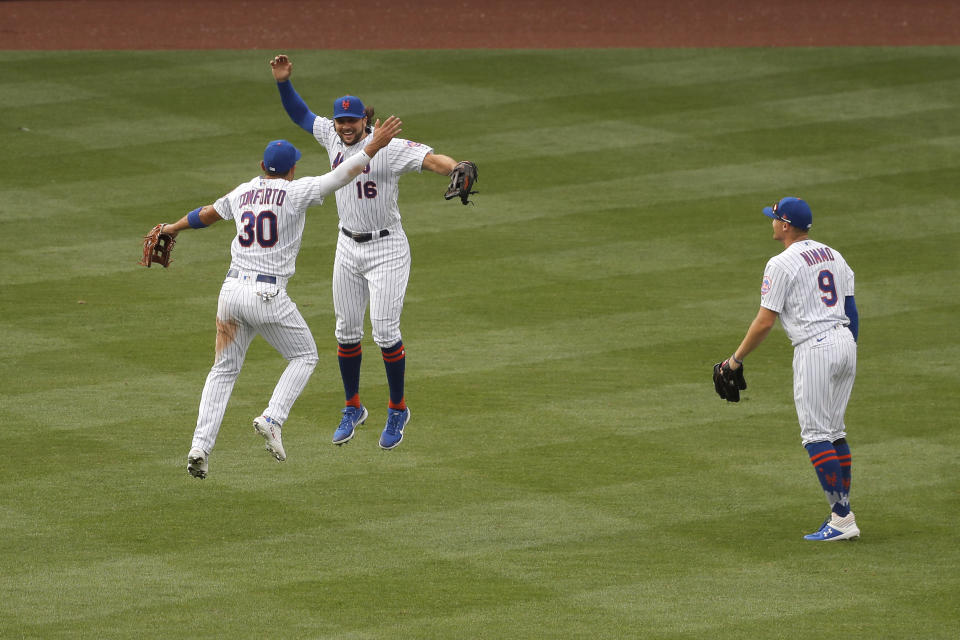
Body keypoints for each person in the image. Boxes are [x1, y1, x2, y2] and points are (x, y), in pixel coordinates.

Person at [153, 118, 402, 479]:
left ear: (261, 168)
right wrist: (373, 146)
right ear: (292, 169)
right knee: (305, 355)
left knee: (222, 370)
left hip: (231, 293)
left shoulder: (242, 192)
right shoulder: (296, 191)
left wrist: (171, 228)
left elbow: (206, 215)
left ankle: (200, 447)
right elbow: (344, 174)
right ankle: (272, 418)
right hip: (267, 294)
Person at [269, 53, 470, 450]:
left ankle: (397, 408)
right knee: (345, 333)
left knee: (385, 331)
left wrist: (456, 167)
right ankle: (353, 407)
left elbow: (431, 159)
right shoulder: (329, 136)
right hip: (347, 246)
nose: (344, 127)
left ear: (366, 120)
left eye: (352, 121)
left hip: (388, 248)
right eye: (340, 121)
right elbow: (300, 115)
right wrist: (282, 82)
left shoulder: (390, 146)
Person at [719, 197, 860, 540]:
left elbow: (765, 321)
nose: (771, 223)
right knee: (834, 431)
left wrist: (734, 360)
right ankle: (842, 513)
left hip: (815, 348)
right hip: (845, 342)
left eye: (774, 219)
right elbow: (851, 308)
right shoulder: (834, 255)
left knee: (815, 436)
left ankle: (842, 518)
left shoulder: (781, 263)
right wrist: (848, 346)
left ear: (785, 226)